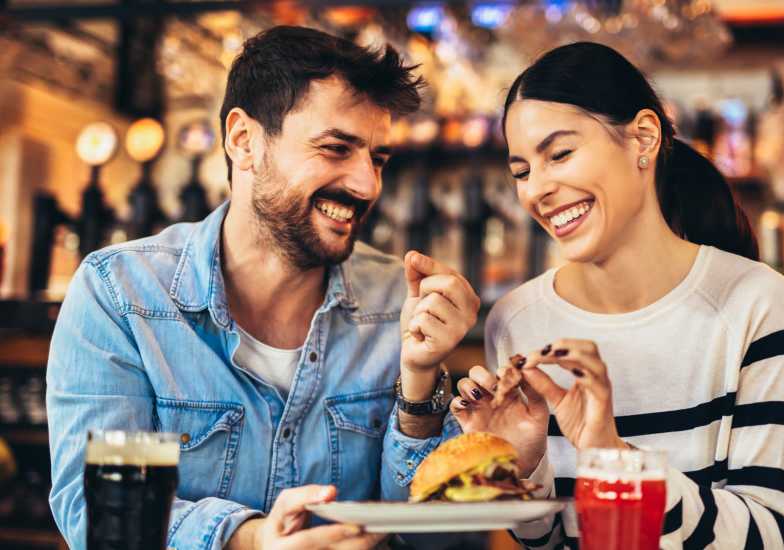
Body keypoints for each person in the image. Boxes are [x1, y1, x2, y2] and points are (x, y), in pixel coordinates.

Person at [46, 26, 477, 550]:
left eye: (377, 159)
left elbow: (435, 539)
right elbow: (96, 515)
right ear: (243, 141)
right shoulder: (120, 294)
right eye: (336, 148)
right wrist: (249, 541)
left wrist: (419, 383)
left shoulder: (399, 302)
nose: (367, 185)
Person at [451, 42, 784, 549]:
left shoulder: (754, 302)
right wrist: (523, 467)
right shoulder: (518, 321)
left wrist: (613, 456)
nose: (537, 189)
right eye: (521, 171)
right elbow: (548, 542)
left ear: (642, 138)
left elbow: (769, 534)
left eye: (559, 154)